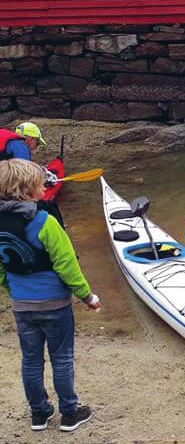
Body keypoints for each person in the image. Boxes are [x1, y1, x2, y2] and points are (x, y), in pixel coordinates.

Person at [0, 159, 102, 432]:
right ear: (30, 189)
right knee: (61, 358)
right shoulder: (46, 222)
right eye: (39, 183)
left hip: (22, 305)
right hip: (55, 304)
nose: (43, 186)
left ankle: (39, 414)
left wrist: (14, 290)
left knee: (31, 360)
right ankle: (69, 412)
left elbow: (1, 268)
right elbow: (67, 265)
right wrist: (87, 296)